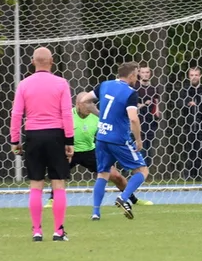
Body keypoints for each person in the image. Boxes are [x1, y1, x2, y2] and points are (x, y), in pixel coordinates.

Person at [10, 46, 75, 241]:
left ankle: (37, 231)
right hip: (56, 135)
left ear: (32, 62)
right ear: (52, 61)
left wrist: (15, 140)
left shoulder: (24, 84)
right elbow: (66, 113)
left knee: (36, 185)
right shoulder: (61, 83)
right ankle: (58, 231)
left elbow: (16, 114)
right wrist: (69, 140)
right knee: (58, 184)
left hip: (33, 136)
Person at [45, 92, 147, 209]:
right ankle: (52, 199)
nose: (90, 106)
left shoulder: (97, 117)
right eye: (86, 104)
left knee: (115, 175)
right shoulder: (67, 116)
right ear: (78, 104)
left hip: (90, 151)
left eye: (91, 103)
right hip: (70, 151)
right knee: (59, 174)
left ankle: (132, 199)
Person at [87, 61, 149, 220]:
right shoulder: (130, 92)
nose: (137, 76)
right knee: (142, 171)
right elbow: (134, 119)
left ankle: (95, 212)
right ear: (131, 75)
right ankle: (124, 197)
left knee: (103, 174)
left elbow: (84, 101)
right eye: (136, 73)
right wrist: (138, 140)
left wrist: (100, 116)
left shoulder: (105, 84)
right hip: (118, 139)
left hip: (101, 137)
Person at [179, 65, 202, 180]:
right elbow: (179, 104)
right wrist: (187, 103)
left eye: (196, 75)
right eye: (191, 75)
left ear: (200, 76)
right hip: (191, 125)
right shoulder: (185, 91)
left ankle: (193, 171)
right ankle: (193, 174)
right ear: (188, 76)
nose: (194, 77)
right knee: (192, 150)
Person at [135, 62, 161, 152]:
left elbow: (156, 103)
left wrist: (157, 113)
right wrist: (143, 105)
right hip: (138, 121)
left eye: (147, 72)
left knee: (148, 149)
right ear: (139, 73)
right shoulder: (135, 87)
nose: (145, 75)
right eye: (143, 72)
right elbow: (132, 106)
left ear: (150, 73)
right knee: (140, 149)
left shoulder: (154, 88)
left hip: (151, 122)